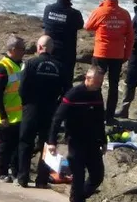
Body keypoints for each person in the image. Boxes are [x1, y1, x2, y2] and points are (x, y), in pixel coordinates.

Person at [46, 66, 107, 202]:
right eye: (96, 82)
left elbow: (99, 119)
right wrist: (52, 141)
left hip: (92, 141)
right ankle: (76, 198)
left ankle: (79, 197)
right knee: (78, 176)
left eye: (101, 82)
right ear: (87, 78)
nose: (99, 85)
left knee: (97, 176)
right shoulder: (73, 94)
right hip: (76, 140)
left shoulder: (97, 93)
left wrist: (103, 140)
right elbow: (57, 118)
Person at [17, 35, 66, 188]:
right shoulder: (60, 66)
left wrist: (26, 103)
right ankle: (42, 179)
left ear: (39, 48)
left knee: (25, 142)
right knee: (47, 144)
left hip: (31, 108)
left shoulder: (30, 63)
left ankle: (23, 177)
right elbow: (66, 91)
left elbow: (22, 88)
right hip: (51, 109)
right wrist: (57, 105)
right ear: (52, 49)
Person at [84, 0, 133, 122]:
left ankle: (96, 112)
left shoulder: (100, 11)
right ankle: (110, 116)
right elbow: (130, 37)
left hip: (101, 53)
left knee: (95, 83)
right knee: (113, 85)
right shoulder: (124, 13)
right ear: (117, 0)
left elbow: (88, 26)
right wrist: (126, 55)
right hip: (117, 55)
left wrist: (101, 8)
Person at [0, 35, 26, 183]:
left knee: (16, 146)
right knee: (4, 146)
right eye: (22, 49)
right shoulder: (2, 67)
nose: (24, 52)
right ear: (13, 50)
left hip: (18, 115)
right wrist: (3, 116)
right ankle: (1, 171)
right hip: (5, 116)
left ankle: (16, 171)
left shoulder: (20, 64)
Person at [42, 0, 84, 90]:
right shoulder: (74, 14)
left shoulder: (48, 9)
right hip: (67, 53)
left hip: (49, 50)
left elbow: (45, 23)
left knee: (48, 81)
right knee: (66, 84)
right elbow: (80, 25)